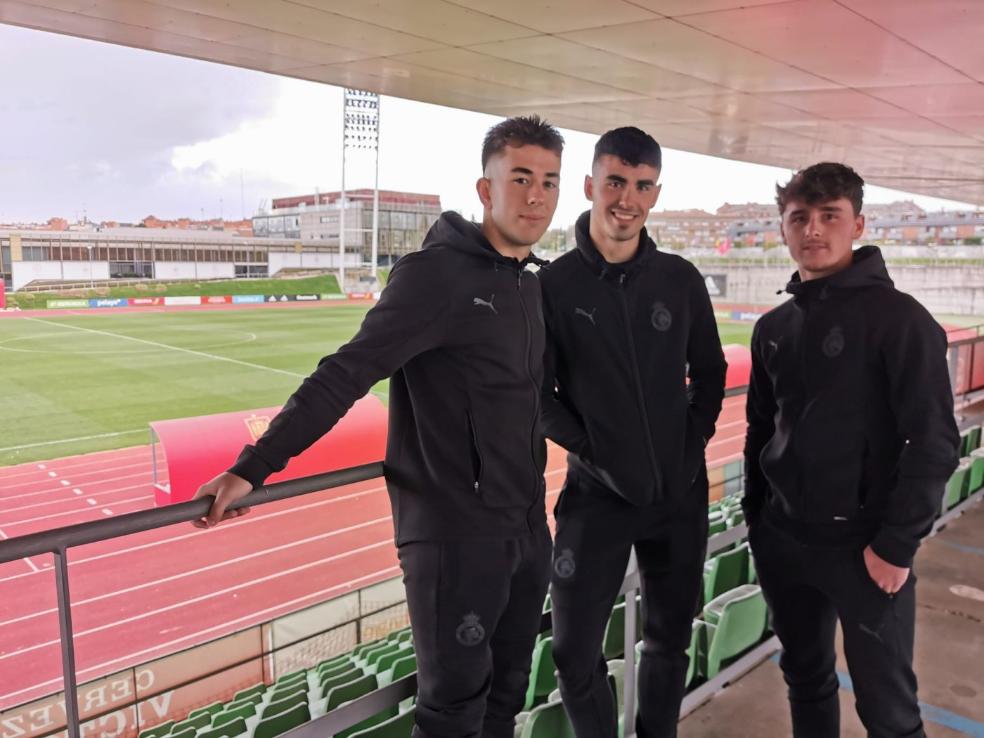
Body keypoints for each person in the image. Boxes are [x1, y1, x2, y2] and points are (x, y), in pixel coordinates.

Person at [192, 115, 565, 738]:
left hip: (528, 528)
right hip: (456, 536)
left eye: (549, 182)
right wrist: (253, 467)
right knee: (451, 715)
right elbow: (345, 373)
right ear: (485, 188)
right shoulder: (435, 277)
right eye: (520, 177)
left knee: (505, 702)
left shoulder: (531, 284)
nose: (536, 196)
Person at [743, 162, 960, 738]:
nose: (813, 229)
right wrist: (758, 521)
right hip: (785, 542)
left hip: (866, 549)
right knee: (806, 679)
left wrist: (895, 545)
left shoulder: (902, 321)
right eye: (799, 218)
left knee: (888, 710)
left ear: (857, 223)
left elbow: (935, 440)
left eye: (829, 216)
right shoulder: (773, 327)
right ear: (784, 228)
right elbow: (761, 429)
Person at [539, 126, 727, 738]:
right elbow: (539, 397)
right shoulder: (553, 286)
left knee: (669, 641)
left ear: (656, 193)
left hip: (679, 497)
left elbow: (712, 371)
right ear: (590, 185)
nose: (628, 199)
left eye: (642, 186)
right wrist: (595, 451)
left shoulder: (680, 278)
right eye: (616, 182)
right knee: (571, 653)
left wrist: (689, 444)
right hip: (596, 498)